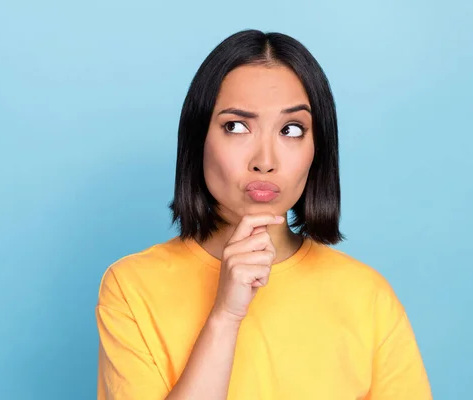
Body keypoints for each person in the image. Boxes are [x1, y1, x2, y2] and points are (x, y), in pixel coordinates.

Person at [95, 29, 432, 399]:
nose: (265, 162)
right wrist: (225, 316)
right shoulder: (132, 286)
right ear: (198, 140)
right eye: (236, 127)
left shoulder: (368, 297)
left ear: (317, 150)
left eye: (291, 130)